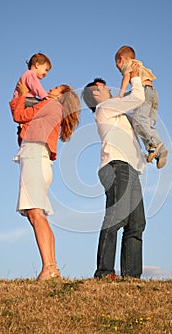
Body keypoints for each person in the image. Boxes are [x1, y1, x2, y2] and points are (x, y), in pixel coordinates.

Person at [9, 80, 80, 280]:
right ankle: (52, 267)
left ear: (61, 96)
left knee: (35, 214)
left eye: (55, 88)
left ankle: (48, 267)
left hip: (35, 158)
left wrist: (22, 94)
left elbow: (19, 115)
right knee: (37, 215)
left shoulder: (50, 105)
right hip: (40, 160)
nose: (50, 89)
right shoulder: (54, 108)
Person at [82, 62, 146, 279]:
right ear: (95, 94)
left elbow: (135, 103)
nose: (108, 88)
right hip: (116, 166)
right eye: (104, 87)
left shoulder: (116, 111)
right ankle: (104, 272)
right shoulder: (105, 108)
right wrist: (135, 77)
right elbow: (136, 98)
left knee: (137, 223)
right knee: (116, 216)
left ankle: (131, 276)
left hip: (130, 168)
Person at [115, 45, 167, 169]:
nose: (118, 69)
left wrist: (121, 94)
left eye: (117, 65)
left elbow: (126, 77)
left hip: (144, 92)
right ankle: (160, 152)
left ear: (120, 59)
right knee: (147, 124)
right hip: (153, 94)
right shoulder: (139, 64)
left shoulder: (129, 65)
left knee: (138, 121)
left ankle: (153, 144)